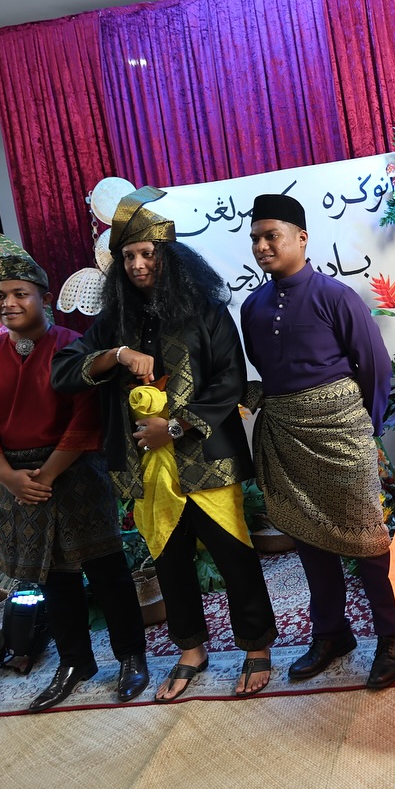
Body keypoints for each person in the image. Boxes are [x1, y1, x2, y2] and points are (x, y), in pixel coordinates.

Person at [52, 187, 277, 701]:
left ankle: (256, 645)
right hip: (145, 466)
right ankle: (191, 649)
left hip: (207, 460)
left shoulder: (206, 312)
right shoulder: (113, 324)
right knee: (170, 561)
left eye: (146, 254)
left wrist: (174, 428)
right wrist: (117, 354)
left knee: (234, 555)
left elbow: (229, 381)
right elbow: (64, 372)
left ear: (168, 256)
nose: (137, 265)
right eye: (127, 257)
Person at [0, 254, 148, 712]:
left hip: (76, 471)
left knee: (106, 569)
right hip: (17, 478)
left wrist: (47, 473)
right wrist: (9, 477)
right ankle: (75, 662)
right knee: (53, 577)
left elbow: (87, 416)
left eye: (20, 294)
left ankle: (131, 656)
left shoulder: (73, 347)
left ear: (44, 299)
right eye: (0, 295)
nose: (8, 303)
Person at [240, 193, 395, 690]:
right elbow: (265, 368)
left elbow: (375, 365)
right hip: (287, 433)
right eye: (255, 238)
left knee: (368, 540)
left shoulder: (336, 295)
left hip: (342, 433)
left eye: (271, 236)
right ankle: (332, 634)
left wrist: (364, 427)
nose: (262, 246)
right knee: (309, 538)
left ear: (301, 238)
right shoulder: (252, 306)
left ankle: (392, 635)